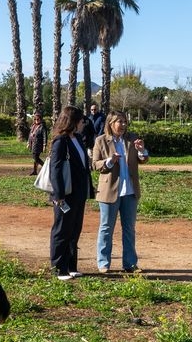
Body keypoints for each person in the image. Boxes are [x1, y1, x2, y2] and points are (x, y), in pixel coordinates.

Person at [91, 110, 149, 273]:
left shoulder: (132, 138)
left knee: (129, 228)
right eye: (119, 121)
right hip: (109, 191)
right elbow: (95, 164)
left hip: (130, 191)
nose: (123, 125)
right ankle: (103, 263)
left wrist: (141, 150)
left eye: (124, 121)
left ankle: (130, 264)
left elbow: (143, 159)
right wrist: (109, 161)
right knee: (106, 227)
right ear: (110, 123)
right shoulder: (101, 141)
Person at [49, 105, 94, 280]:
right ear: (73, 121)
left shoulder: (77, 139)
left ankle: (71, 266)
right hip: (65, 194)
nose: (84, 122)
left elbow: (83, 167)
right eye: (81, 119)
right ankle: (58, 268)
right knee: (62, 230)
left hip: (79, 193)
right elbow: (56, 169)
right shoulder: (60, 141)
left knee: (75, 229)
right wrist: (58, 195)